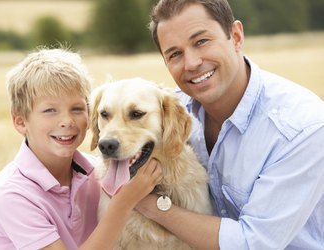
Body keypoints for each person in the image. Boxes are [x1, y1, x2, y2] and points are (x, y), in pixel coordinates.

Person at [135, 0, 324, 249]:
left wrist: (150, 206)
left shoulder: (302, 127)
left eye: (201, 41)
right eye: (175, 54)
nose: (191, 63)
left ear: (235, 36)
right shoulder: (170, 115)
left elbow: (253, 243)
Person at [0, 47, 162, 250]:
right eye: (50, 110)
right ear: (21, 122)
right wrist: (123, 203)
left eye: (77, 109)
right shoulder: (12, 194)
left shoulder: (98, 173)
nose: (66, 121)